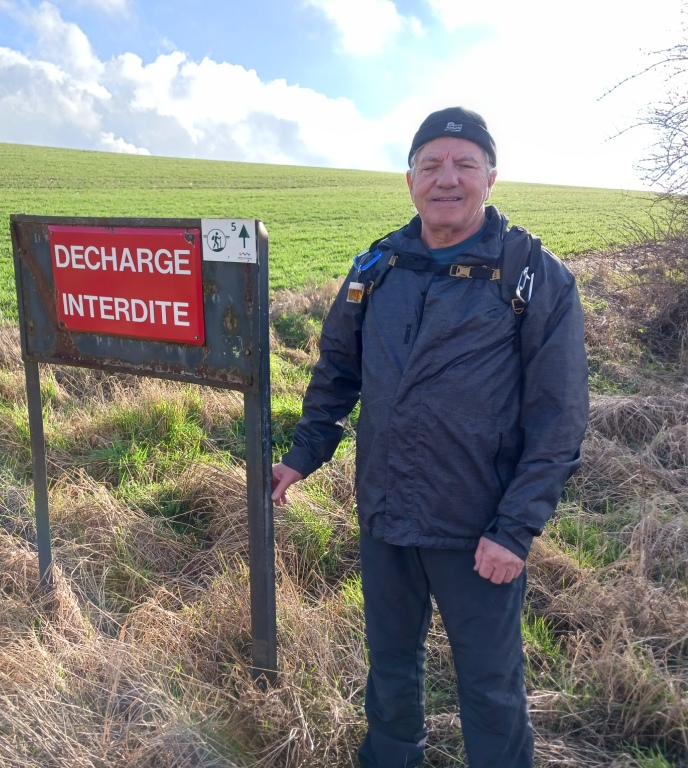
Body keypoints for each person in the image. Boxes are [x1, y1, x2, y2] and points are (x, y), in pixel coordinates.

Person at [271, 107, 588, 768]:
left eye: (464, 163)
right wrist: (302, 459)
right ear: (409, 177)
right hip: (385, 515)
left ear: (491, 177)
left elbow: (558, 420)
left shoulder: (533, 274)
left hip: (478, 529)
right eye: (431, 163)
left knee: (491, 691)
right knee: (388, 672)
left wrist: (515, 529)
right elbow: (337, 374)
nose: (447, 178)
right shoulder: (377, 266)